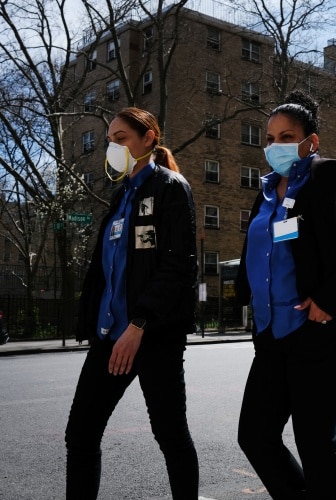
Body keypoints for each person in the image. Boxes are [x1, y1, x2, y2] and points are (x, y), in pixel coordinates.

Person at [236, 90, 336, 500]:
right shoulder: (266, 190)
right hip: (271, 334)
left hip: (317, 330)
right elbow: (259, 250)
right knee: (254, 435)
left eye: (287, 136)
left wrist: (329, 299)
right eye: (269, 138)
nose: (275, 146)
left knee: (315, 442)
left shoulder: (334, 177)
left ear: (311, 141)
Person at [64, 107, 200, 500]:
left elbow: (178, 265)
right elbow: (108, 271)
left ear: (148, 139)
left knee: (171, 435)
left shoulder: (171, 187)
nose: (112, 145)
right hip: (111, 337)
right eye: (110, 139)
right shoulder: (121, 194)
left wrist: (139, 324)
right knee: (81, 435)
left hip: (152, 335)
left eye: (121, 138)